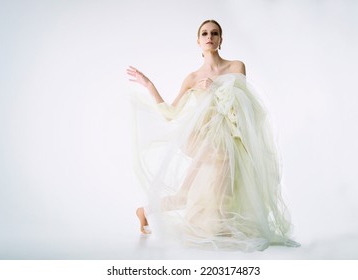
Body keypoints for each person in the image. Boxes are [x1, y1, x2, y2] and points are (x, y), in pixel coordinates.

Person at [127, 20, 299, 252]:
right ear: (198, 41)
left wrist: (215, 89)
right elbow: (170, 114)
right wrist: (149, 85)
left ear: (221, 40)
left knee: (188, 194)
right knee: (199, 189)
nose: (209, 37)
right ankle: (220, 224)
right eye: (205, 34)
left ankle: (145, 211)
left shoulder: (237, 67)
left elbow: (243, 106)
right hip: (206, 139)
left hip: (232, 137)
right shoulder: (192, 78)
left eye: (214, 33)